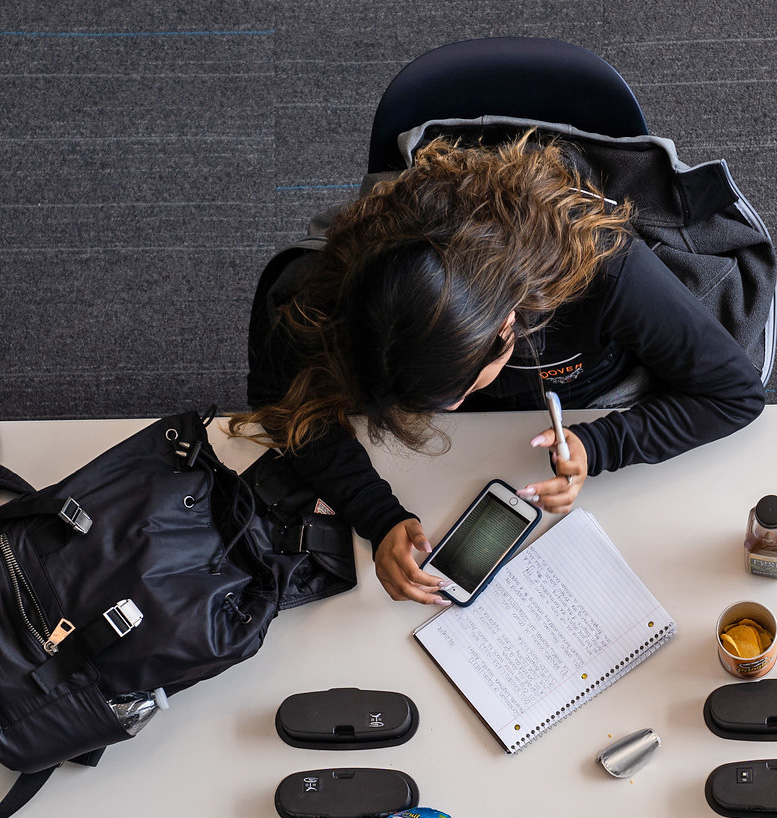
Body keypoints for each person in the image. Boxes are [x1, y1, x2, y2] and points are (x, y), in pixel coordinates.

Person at [231, 132, 765, 606]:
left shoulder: (603, 266)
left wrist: (600, 445)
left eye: (460, 392)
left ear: (508, 324)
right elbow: (286, 406)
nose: (453, 410)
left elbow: (734, 395)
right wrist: (375, 513)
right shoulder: (314, 293)